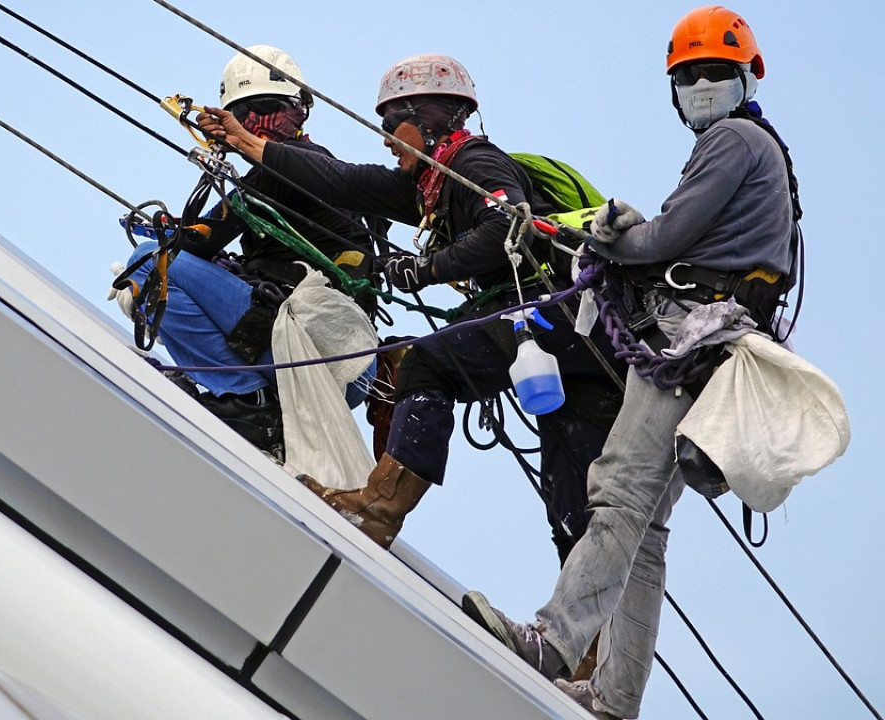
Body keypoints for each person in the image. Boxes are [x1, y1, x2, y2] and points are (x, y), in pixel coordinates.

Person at [459, 7, 799, 718]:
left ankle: (547, 643)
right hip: (719, 347)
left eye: (713, 73)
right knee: (644, 531)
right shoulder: (765, 152)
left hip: (690, 343)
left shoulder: (734, 139)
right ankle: (614, 696)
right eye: (690, 76)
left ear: (745, 79)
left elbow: (668, 237)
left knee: (615, 494)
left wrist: (611, 234)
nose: (702, 85)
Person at [198, 54, 625, 550]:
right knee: (570, 492)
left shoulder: (474, 163)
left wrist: (426, 269)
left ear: (428, 116)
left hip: (553, 308)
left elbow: (504, 226)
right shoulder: (427, 184)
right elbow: (343, 181)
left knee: (427, 361)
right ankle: (588, 627)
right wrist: (249, 143)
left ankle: (379, 508)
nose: (384, 137)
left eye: (390, 122)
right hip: (576, 333)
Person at [113, 45, 377, 460]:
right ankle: (252, 402)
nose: (255, 125)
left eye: (268, 110)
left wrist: (169, 238)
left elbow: (201, 238)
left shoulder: (291, 165)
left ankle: (245, 399)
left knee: (150, 261)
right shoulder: (316, 171)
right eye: (245, 115)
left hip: (321, 352)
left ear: (299, 112)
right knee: (177, 266)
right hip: (341, 365)